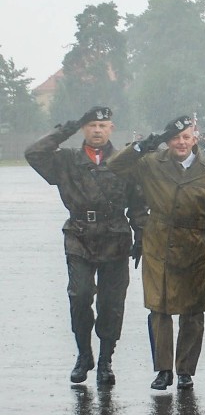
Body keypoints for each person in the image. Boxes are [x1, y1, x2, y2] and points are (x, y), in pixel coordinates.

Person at [25, 106, 147, 385]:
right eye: (90, 125)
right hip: (79, 234)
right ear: (83, 128)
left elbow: (139, 201)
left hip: (115, 235)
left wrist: (141, 234)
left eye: (102, 126)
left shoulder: (124, 160)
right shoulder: (67, 160)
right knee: (79, 296)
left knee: (111, 303)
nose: (96, 130)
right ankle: (84, 355)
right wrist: (64, 128)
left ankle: (105, 360)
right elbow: (34, 153)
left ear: (111, 129)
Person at [108, 115, 205, 391]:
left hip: (198, 245)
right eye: (175, 138)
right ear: (167, 141)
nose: (181, 142)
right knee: (159, 309)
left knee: (193, 312)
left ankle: (185, 370)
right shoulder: (151, 163)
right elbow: (114, 166)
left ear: (195, 138)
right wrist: (141, 146)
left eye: (186, 137)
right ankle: (164, 369)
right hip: (159, 243)